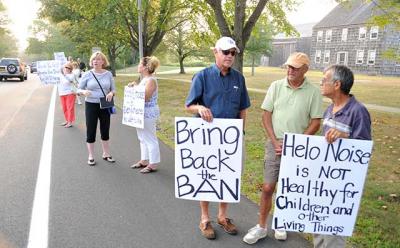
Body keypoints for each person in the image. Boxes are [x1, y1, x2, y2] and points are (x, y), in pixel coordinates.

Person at [243, 52, 323, 244]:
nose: (290, 70)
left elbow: (316, 122)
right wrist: (275, 141)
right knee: (269, 186)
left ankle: (281, 223)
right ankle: (261, 226)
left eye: (295, 67)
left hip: (299, 146)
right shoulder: (276, 86)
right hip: (275, 143)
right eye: (288, 66)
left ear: (305, 69)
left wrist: (296, 144)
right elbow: (266, 115)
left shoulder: (313, 91)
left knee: (289, 188)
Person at [185, 36, 251, 240]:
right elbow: (189, 105)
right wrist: (200, 107)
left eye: (233, 53)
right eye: (226, 52)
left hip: (230, 139)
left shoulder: (239, 78)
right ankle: (205, 218)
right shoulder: (202, 76)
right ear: (215, 52)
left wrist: (241, 132)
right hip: (207, 138)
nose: (230, 56)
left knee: (227, 177)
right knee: (206, 175)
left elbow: (243, 108)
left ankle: (223, 216)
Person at [314, 65, 371, 248]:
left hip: (342, 187)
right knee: (319, 230)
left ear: (337, 84)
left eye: (324, 80)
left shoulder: (358, 111)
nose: (321, 83)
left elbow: (363, 151)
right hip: (324, 181)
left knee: (333, 236)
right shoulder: (329, 110)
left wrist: (345, 136)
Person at [78, 51, 116, 166]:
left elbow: (113, 90)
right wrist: (84, 91)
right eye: (94, 59)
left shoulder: (108, 74)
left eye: (98, 59)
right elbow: (78, 90)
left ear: (103, 61)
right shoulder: (87, 74)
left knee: (105, 129)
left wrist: (111, 94)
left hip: (105, 104)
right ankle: (91, 155)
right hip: (91, 105)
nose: (96, 61)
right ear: (91, 62)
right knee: (91, 130)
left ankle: (106, 153)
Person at [129, 56, 161, 173]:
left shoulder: (151, 80)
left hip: (148, 112)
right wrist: (134, 87)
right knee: (142, 137)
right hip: (140, 112)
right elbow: (141, 92)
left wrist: (134, 89)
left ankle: (153, 164)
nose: (138, 66)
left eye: (139, 64)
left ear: (145, 67)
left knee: (150, 137)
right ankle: (144, 160)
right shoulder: (145, 79)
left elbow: (146, 97)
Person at [58, 62, 77, 128]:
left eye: (68, 67)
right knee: (64, 108)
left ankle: (70, 122)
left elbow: (66, 82)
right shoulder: (61, 74)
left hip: (70, 93)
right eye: (65, 67)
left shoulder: (72, 75)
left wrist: (63, 75)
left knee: (70, 108)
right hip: (62, 93)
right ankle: (67, 120)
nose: (66, 68)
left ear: (70, 69)